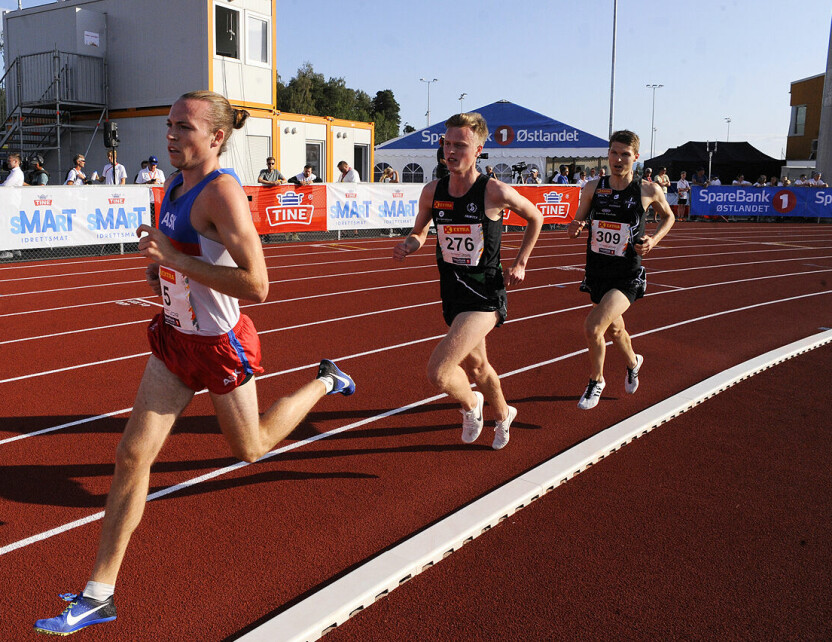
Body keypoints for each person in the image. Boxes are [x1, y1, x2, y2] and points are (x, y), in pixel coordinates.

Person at [33, 90, 356, 636]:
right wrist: (157, 268)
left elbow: (258, 284)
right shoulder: (174, 184)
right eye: (169, 124)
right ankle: (98, 594)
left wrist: (175, 258)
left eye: (184, 127)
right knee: (131, 455)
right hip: (176, 339)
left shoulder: (222, 192)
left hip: (219, 346)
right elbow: (174, 261)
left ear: (216, 137)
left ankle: (325, 381)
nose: (171, 135)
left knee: (250, 449)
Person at [392, 112, 543, 451]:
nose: (451, 151)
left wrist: (521, 262)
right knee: (479, 366)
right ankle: (504, 414)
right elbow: (420, 231)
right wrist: (409, 245)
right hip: (453, 293)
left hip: (485, 295)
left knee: (440, 372)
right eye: (447, 144)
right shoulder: (433, 191)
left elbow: (536, 217)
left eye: (460, 145)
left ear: (478, 150)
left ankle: (471, 406)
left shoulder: (494, 191)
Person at [567, 130, 674, 410]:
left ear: (636, 158)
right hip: (598, 272)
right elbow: (575, 226)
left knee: (593, 327)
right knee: (615, 331)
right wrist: (575, 227)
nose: (618, 159)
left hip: (627, 274)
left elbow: (669, 216)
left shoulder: (648, 190)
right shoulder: (593, 187)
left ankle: (596, 380)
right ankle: (633, 362)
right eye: (614, 152)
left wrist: (653, 240)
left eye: (625, 154)